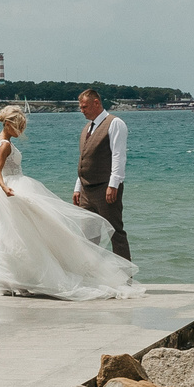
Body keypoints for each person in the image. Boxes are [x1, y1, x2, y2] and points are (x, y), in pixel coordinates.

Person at [0, 104, 143, 300]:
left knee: (16, 232)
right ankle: (23, 278)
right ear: (9, 124)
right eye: (19, 126)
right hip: (11, 187)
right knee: (27, 231)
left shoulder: (1, 140)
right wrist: (5, 187)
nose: (21, 131)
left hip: (11, 186)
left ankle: (12, 279)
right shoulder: (5, 144)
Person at [71, 87, 130, 260]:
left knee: (115, 233)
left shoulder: (115, 123)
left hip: (106, 189)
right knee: (88, 237)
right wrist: (77, 188)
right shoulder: (87, 129)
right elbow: (85, 159)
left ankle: (126, 278)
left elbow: (119, 156)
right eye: (81, 107)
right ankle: (91, 276)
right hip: (86, 190)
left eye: (84, 107)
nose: (82, 111)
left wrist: (114, 185)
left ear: (96, 103)